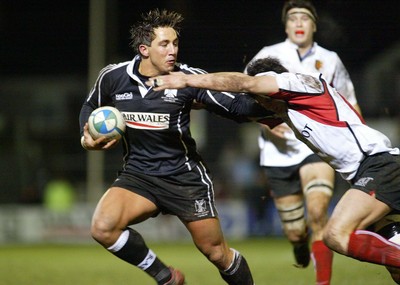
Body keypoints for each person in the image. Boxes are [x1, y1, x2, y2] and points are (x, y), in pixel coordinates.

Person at [148, 56, 400, 284]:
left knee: (335, 234)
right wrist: (188, 98)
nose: (260, 104)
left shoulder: (296, 83)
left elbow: (245, 85)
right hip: (372, 172)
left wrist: (185, 79)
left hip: (380, 165)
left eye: (260, 95)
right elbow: (233, 107)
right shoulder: (290, 109)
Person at [79, 9, 272, 285]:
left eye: (175, 43)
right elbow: (89, 106)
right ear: (144, 49)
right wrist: (87, 136)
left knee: (216, 253)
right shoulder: (113, 77)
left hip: (184, 178)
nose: (173, 51)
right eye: (164, 44)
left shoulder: (188, 78)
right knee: (102, 228)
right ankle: (164, 276)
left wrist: (272, 100)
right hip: (138, 176)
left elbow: (235, 107)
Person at [244, 1, 360, 283]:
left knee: (318, 212)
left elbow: (349, 102)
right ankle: (299, 243)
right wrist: (264, 123)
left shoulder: (330, 59)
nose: (298, 23)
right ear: (285, 26)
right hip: (277, 154)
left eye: (304, 18)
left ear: (314, 25)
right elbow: (242, 96)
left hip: (317, 148)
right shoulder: (268, 55)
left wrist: (360, 141)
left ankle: (322, 281)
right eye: (292, 18)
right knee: (295, 230)